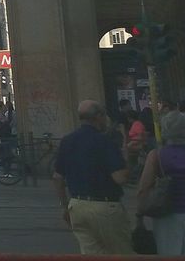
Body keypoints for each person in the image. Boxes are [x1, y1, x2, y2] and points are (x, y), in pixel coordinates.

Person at [53, 100, 132, 255]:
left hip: (77, 206)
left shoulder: (67, 140)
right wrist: (127, 156)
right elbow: (120, 177)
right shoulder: (104, 141)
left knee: (91, 255)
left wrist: (65, 206)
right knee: (122, 254)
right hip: (105, 207)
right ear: (98, 116)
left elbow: (57, 177)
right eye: (105, 115)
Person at [138, 111, 185, 255]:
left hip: (166, 214)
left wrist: (140, 212)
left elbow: (144, 187)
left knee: (169, 253)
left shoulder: (156, 155)